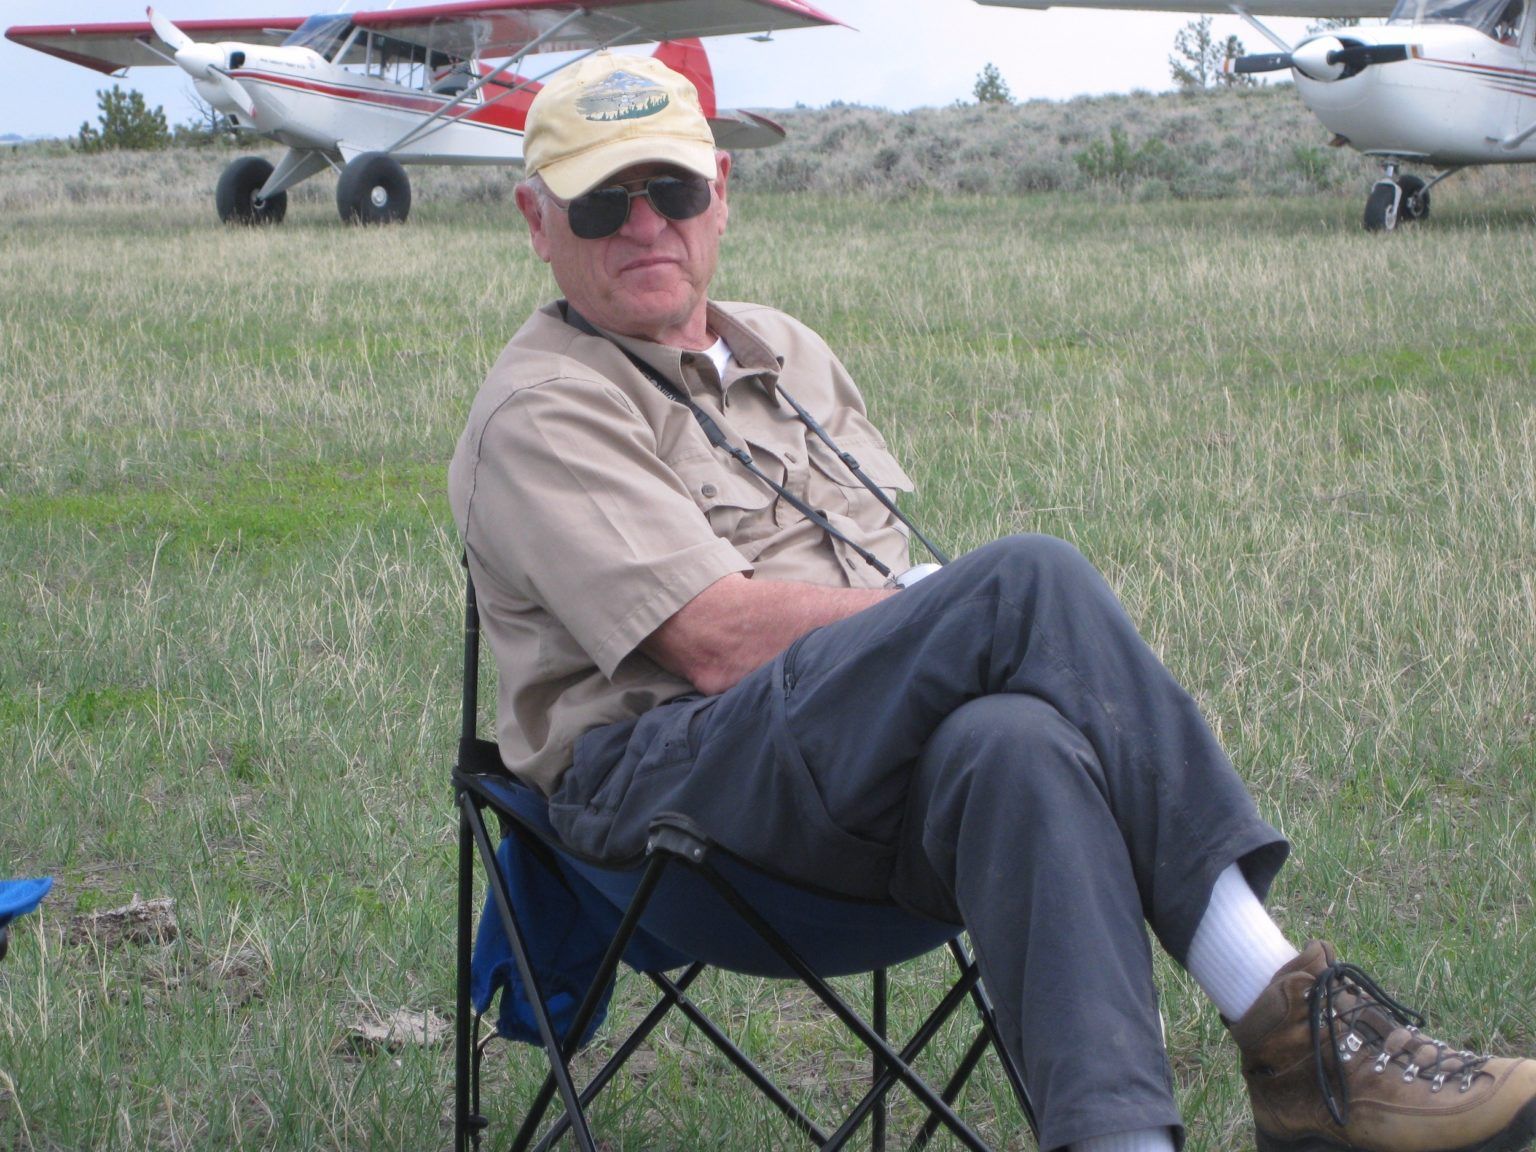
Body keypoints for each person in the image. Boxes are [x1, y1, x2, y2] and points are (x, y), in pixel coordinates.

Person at [448, 51, 1536, 1152]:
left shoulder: (790, 353)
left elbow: (867, 601)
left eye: (672, 191)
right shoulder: (545, 405)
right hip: (665, 809)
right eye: (602, 202)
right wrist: (943, 609)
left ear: (721, 192)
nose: (646, 226)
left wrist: (932, 624)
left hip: (848, 778)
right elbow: (718, 641)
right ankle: (1296, 1033)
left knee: (1014, 743)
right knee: (1024, 579)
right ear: (539, 221)